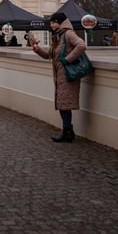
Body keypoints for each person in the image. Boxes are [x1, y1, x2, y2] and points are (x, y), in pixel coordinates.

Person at [29, 12, 87, 143]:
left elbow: (81, 45)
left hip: (68, 74)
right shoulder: (57, 37)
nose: (51, 25)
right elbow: (49, 56)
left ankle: (67, 132)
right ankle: (68, 131)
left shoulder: (68, 34)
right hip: (60, 75)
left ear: (59, 22)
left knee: (64, 104)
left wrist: (67, 59)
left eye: (53, 22)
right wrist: (36, 49)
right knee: (63, 104)